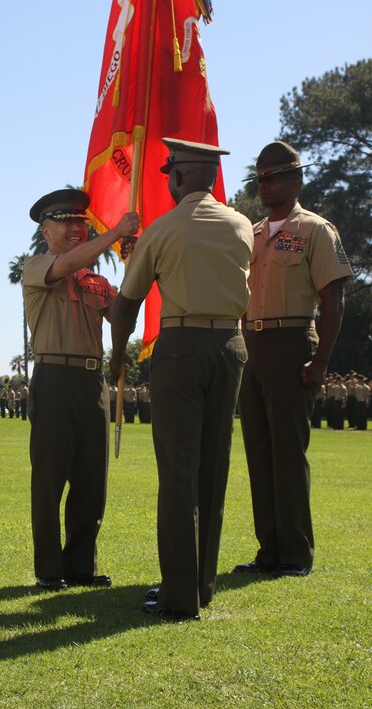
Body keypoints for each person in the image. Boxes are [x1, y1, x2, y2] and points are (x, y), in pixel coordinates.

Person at [111, 139, 253, 620]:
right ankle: (203, 585)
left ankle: (178, 596)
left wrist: (117, 356)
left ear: (180, 177)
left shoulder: (163, 229)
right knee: (214, 469)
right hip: (230, 348)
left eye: (170, 172)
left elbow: (125, 304)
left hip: (181, 349)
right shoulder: (241, 226)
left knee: (178, 473)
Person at [234, 141, 352, 578]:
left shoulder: (317, 230)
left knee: (287, 452)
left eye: (275, 176)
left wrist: (321, 361)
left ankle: (296, 554)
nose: (265, 185)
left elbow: (334, 299)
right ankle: (269, 550)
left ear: (297, 180)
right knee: (258, 453)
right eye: (260, 178)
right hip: (253, 345)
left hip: (291, 341)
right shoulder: (253, 232)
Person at [24, 187, 139, 590]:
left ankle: (80, 566)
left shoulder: (97, 281)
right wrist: (115, 233)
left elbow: (122, 315)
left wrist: (136, 263)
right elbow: (68, 263)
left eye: (80, 222)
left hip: (93, 381)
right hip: (54, 378)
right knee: (50, 478)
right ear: (45, 230)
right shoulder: (37, 267)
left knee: (92, 480)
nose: (75, 228)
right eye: (65, 221)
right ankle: (50, 570)